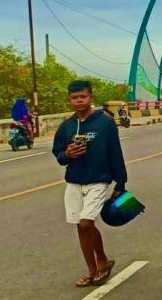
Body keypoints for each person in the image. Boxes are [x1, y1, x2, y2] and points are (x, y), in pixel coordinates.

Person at [51, 80, 128, 288]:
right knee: (80, 227)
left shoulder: (105, 123)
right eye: (74, 98)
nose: (78, 101)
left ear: (91, 98)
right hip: (74, 181)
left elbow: (115, 153)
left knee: (87, 223)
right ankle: (92, 271)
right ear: (69, 100)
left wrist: (120, 182)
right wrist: (67, 154)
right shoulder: (67, 126)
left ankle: (102, 259)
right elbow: (58, 154)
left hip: (99, 180)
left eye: (82, 97)